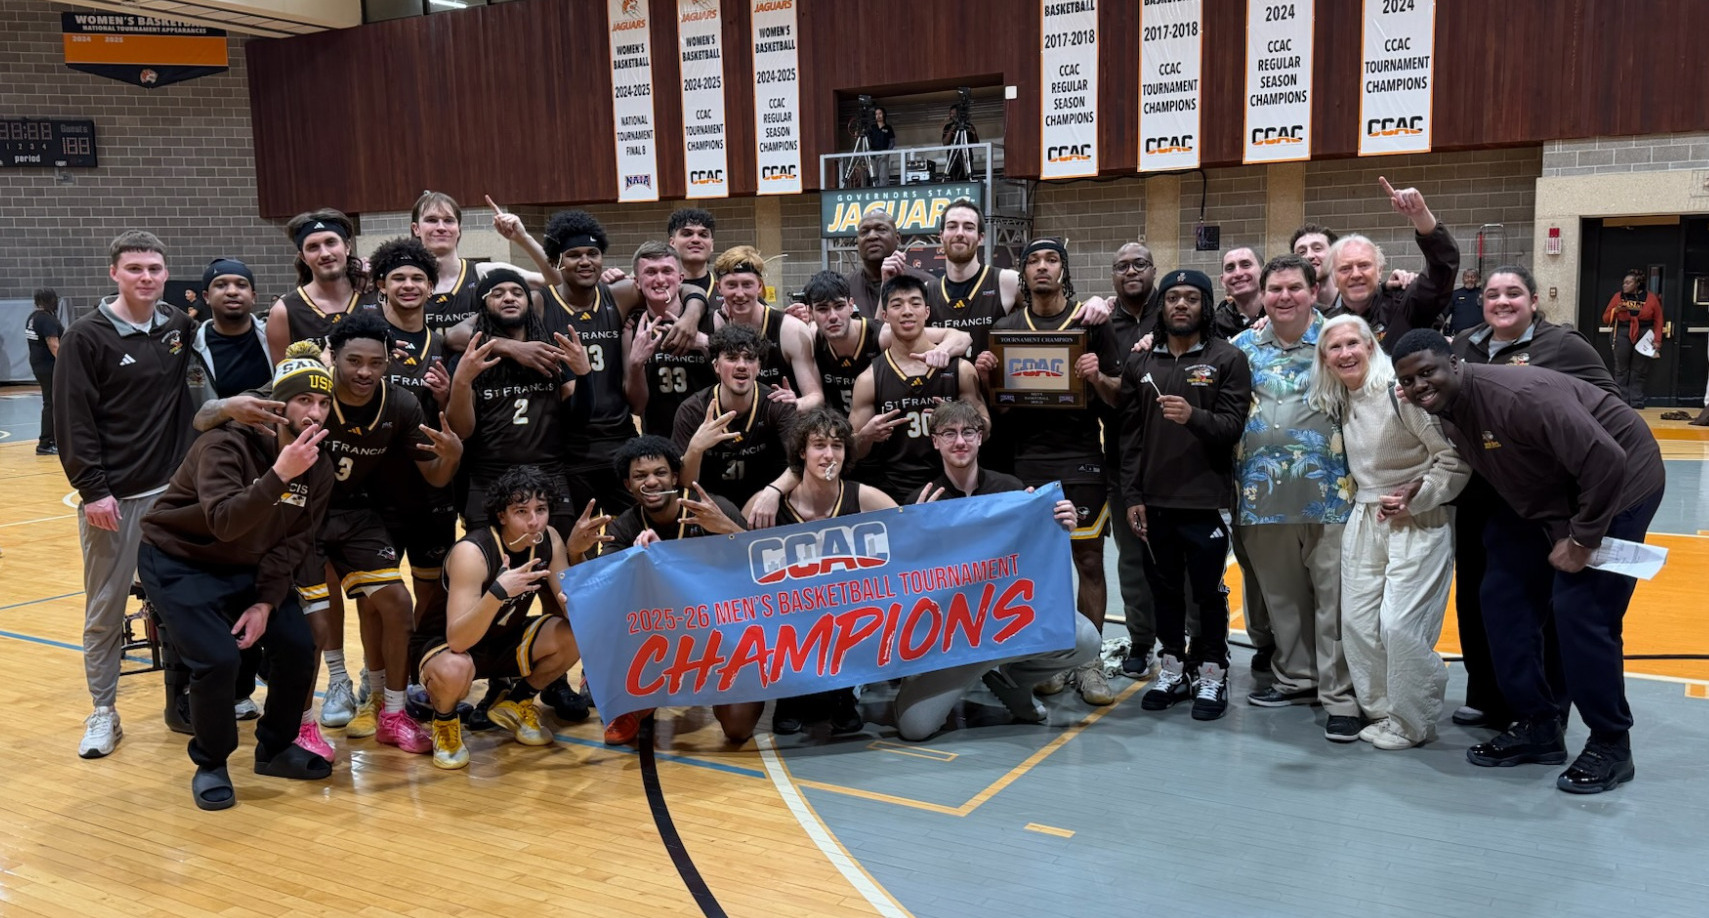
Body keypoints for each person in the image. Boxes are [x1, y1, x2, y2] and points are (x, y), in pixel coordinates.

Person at [1393, 329, 1665, 794]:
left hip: (1621, 486)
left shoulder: (1519, 395)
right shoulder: (1449, 410)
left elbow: (1607, 458)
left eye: (1428, 372)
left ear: (1454, 363)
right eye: (1409, 380)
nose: (1420, 385)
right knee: (1502, 595)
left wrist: (1580, 539)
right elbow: (1517, 474)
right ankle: (1539, 723)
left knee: (1581, 611)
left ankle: (1611, 744)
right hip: (1556, 496)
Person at [137, 345, 337, 808]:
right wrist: (280, 475)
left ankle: (276, 747)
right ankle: (211, 764)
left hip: (248, 564)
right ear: (279, 404)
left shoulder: (318, 465)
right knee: (218, 660)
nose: (315, 412)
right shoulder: (224, 443)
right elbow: (225, 520)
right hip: (181, 560)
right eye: (304, 400)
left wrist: (266, 602)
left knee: (297, 645)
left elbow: (294, 541)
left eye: (324, 403)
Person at [1448, 265, 1619, 730]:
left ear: (1535, 300)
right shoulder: (1464, 345)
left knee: (1540, 605)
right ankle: (1486, 694)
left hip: (1543, 496)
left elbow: (1605, 402)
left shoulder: (1562, 345)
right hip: (1483, 492)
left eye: (1514, 293)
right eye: (1492, 294)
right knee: (1479, 599)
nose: (1502, 302)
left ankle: (1547, 707)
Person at [54, 231, 199, 759]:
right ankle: (103, 712)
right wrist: (93, 490)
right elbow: (72, 419)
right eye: (135, 268)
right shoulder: (85, 337)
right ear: (113, 272)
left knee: (187, 599)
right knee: (106, 607)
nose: (146, 277)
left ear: (166, 274)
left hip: (174, 494)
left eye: (155, 268)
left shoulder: (178, 327)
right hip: (114, 499)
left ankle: (201, 698)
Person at [891, 400, 1099, 740]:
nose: (960, 441)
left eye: (968, 432)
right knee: (914, 729)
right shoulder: (921, 501)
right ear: (935, 441)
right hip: (955, 637)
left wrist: (1061, 523)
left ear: (980, 438)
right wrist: (911, 534)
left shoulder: (1012, 491)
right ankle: (965, 675)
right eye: (949, 433)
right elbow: (904, 584)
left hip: (1005, 621)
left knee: (1086, 639)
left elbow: (1038, 557)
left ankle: (1014, 677)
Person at [1308, 316, 1468, 748]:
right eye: (1334, 347)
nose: (1345, 353)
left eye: (1352, 344)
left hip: (1417, 518)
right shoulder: (1342, 398)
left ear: (1370, 346)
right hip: (1364, 517)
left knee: (1400, 625)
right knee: (1358, 625)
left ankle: (1414, 719)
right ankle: (1383, 711)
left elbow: (1453, 460)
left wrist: (1416, 498)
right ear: (1324, 359)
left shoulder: (1401, 396)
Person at [980, 237, 1118, 706]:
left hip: (1080, 455)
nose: (1043, 268)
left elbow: (1119, 398)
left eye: (1052, 259)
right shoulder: (1004, 328)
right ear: (1023, 273)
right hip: (1023, 461)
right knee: (1038, 567)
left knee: (1089, 561)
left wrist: (1096, 375)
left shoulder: (1090, 322)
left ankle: (1090, 660)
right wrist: (984, 377)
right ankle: (1052, 657)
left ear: (1064, 269)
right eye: (1034, 261)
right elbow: (994, 411)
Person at [1232, 255, 1360, 741]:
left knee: (1335, 601)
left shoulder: (1340, 340)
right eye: (1275, 289)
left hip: (1331, 494)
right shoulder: (1240, 348)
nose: (1284, 297)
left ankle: (1341, 696)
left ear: (1314, 291)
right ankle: (1297, 678)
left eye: (1294, 288)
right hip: (1260, 495)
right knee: (1282, 599)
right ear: (1262, 296)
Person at [1119, 269, 1252, 721]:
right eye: (1172, 297)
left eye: (1191, 298)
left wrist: (1193, 416)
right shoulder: (1141, 363)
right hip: (1153, 500)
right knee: (1164, 590)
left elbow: (1232, 429)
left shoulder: (1227, 359)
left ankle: (1213, 670)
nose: (1180, 305)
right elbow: (1130, 437)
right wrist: (1132, 494)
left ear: (1205, 306)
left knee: (1209, 593)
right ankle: (1173, 666)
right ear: (1162, 306)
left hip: (1205, 501)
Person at [414, 465, 587, 770]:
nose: (534, 520)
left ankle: (516, 701)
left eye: (541, 509)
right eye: (522, 511)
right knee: (456, 666)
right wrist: (497, 592)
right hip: (446, 647)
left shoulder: (550, 539)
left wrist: (577, 554)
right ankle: (445, 722)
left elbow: (576, 610)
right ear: (502, 515)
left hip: (500, 640)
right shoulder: (474, 552)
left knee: (575, 634)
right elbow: (457, 639)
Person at [750, 407, 897, 735]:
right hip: (788, 626)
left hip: (850, 620)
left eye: (837, 446)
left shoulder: (866, 498)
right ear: (802, 453)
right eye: (819, 445)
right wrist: (770, 492)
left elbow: (916, 537)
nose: (829, 454)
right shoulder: (767, 506)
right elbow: (733, 564)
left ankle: (843, 691)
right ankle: (790, 693)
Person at [600, 436, 751, 744]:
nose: (652, 482)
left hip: (722, 633)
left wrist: (729, 530)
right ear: (628, 485)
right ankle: (636, 695)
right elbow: (603, 589)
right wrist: (577, 554)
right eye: (641, 476)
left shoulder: (714, 510)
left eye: (660, 473)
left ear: (675, 477)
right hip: (662, 638)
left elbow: (759, 570)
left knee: (737, 728)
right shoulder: (624, 527)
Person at [447, 269, 584, 536]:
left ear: (529, 303)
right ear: (482, 307)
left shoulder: (551, 354)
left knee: (559, 567)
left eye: (517, 292)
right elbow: (461, 431)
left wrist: (584, 376)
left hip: (549, 473)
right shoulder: (469, 360)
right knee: (489, 568)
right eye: (497, 293)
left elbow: (579, 416)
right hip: (489, 476)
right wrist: (462, 382)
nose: (509, 298)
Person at [847, 275, 985, 503]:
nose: (907, 311)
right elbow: (853, 451)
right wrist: (865, 436)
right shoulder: (868, 378)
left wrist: (962, 418)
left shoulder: (961, 369)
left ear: (927, 312)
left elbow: (986, 430)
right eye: (897, 304)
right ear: (884, 316)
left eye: (915, 303)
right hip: (895, 492)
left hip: (955, 487)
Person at [1100, 244, 1164, 678]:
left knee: (1180, 557)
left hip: (1176, 455)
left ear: (1153, 270)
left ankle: (1191, 642)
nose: (1131, 272)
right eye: (1121, 266)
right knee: (1132, 558)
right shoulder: (1103, 324)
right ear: (1113, 276)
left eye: (1139, 264)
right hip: (1122, 458)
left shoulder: (1177, 310)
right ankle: (1141, 641)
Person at [1324, 178, 1460, 352]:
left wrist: (1420, 215)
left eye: (1364, 265)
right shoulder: (1326, 323)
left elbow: (1443, 267)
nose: (1356, 274)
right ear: (1334, 278)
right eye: (1345, 268)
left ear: (1380, 270)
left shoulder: (1408, 303)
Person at [410, 191, 550, 335]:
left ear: (459, 229)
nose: (441, 227)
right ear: (416, 229)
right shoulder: (405, 284)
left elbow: (555, 281)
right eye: (431, 220)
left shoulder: (484, 273)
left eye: (449, 220)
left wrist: (523, 239)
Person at [624, 241, 715, 438]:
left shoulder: (711, 320)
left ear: (681, 278)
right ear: (637, 282)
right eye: (650, 272)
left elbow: (735, 377)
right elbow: (637, 408)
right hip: (660, 439)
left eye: (667, 271)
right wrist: (635, 365)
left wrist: (705, 344)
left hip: (711, 437)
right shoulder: (630, 328)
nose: (660, 279)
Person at [712, 245, 822, 408]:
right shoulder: (717, 323)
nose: (740, 293)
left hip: (783, 425)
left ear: (760, 286)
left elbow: (816, 397)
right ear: (719, 287)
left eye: (747, 284)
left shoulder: (790, 329)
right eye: (732, 285)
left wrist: (794, 404)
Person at [266, 209, 370, 358]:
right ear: (303, 257)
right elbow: (284, 378)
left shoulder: (375, 295)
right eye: (313, 247)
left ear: (347, 247)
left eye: (331, 242)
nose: (325, 253)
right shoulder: (283, 312)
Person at [926, 199, 1021, 358]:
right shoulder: (925, 291)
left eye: (969, 227)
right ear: (941, 236)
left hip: (993, 382)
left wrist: (1077, 310)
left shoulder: (1008, 281)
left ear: (980, 237)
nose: (960, 233)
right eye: (952, 226)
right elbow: (886, 334)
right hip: (944, 382)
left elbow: (1053, 308)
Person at [187, 259, 273, 410]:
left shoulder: (274, 336)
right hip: (213, 432)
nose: (232, 291)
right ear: (206, 297)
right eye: (220, 285)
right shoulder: (191, 345)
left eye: (241, 285)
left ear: (253, 296)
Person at [803, 271, 881, 415]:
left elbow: (933, 335)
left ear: (851, 306)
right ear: (810, 313)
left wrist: (938, 349)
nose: (832, 316)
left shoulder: (879, 335)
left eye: (839, 306)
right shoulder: (811, 338)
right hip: (839, 433)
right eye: (822, 309)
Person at [845, 206, 934, 317]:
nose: (872, 236)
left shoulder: (928, 285)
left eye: (881, 229)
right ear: (857, 242)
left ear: (897, 238)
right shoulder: (844, 289)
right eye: (864, 231)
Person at [1602, 269, 1664, 408]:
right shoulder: (1618, 297)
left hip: (1644, 333)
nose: (1624, 285)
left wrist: (1658, 340)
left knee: (1639, 370)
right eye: (1624, 282)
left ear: (1637, 284)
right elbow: (1605, 318)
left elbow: (1659, 320)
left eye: (1628, 282)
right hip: (1623, 332)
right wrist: (1616, 311)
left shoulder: (1651, 298)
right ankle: (1621, 401)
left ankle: (1636, 401)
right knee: (1621, 369)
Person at [25, 287, 62, 455]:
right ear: (51, 300)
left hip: (38, 365)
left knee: (51, 402)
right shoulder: (47, 320)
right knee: (52, 403)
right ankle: (46, 442)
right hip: (50, 366)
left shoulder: (32, 318)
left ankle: (52, 439)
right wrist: (66, 364)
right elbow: (53, 344)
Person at [1213, 247, 1264, 340]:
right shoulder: (1213, 326)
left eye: (1246, 265)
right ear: (1223, 281)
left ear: (1263, 273)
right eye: (1230, 268)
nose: (1238, 273)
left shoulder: (1280, 315)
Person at [667, 208, 717, 296]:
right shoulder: (658, 292)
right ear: (672, 243)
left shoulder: (726, 293)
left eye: (703, 235)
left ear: (712, 245)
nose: (696, 240)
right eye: (687, 234)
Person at [1290, 224, 1339, 309]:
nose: (1309, 256)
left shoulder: (1355, 303)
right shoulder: (1292, 311)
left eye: (1317, 248)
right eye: (1302, 252)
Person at [1447, 269, 1483, 335]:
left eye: (1473, 277)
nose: (1469, 279)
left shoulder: (1483, 294)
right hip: (1458, 335)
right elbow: (1445, 313)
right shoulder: (1455, 294)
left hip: (1479, 335)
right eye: (1467, 277)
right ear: (1463, 279)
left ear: (1477, 279)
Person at [866, 106, 895, 187]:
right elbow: (867, 140)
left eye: (880, 113)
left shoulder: (888, 128)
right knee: (874, 175)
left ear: (884, 115)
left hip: (883, 154)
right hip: (873, 155)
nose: (878, 116)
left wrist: (887, 152)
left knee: (883, 175)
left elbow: (892, 142)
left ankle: (883, 191)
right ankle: (875, 190)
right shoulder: (872, 128)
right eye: (876, 114)